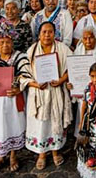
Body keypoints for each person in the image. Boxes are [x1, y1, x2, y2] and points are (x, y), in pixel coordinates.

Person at [25, 21, 73, 169]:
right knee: (41, 124)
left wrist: (61, 80)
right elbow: (24, 74)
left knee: (54, 122)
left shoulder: (62, 49)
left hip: (56, 90)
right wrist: (35, 84)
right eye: (44, 32)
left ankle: (55, 151)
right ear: (39, 34)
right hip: (39, 93)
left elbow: (72, 66)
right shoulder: (32, 51)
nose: (47, 35)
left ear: (55, 34)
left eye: (50, 32)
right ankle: (41, 153)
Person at [0, 19, 30, 174]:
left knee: (13, 124)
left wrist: (18, 88)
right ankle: (0, 156)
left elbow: (26, 76)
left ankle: (12, 155)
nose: (5, 46)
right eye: (2, 42)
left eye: (8, 42)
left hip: (13, 99)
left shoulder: (20, 57)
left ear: (13, 42)